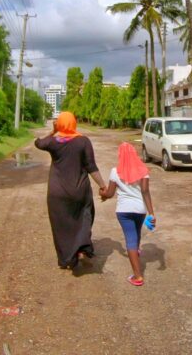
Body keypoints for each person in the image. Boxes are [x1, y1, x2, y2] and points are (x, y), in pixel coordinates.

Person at [35, 112, 108, 270]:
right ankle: (81, 248)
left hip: (57, 192)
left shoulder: (53, 142)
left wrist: (54, 131)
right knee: (85, 215)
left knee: (61, 224)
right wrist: (102, 186)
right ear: (74, 123)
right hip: (79, 190)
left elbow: (38, 143)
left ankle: (67, 258)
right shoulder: (83, 141)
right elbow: (91, 167)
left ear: (59, 123)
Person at [100, 142, 156, 286]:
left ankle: (137, 276)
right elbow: (145, 191)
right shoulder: (143, 170)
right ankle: (135, 253)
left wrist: (103, 194)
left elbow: (110, 193)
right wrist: (151, 213)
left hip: (123, 210)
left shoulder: (115, 171)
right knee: (136, 234)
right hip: (140, 209)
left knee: (130, 239)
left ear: (120, 155)